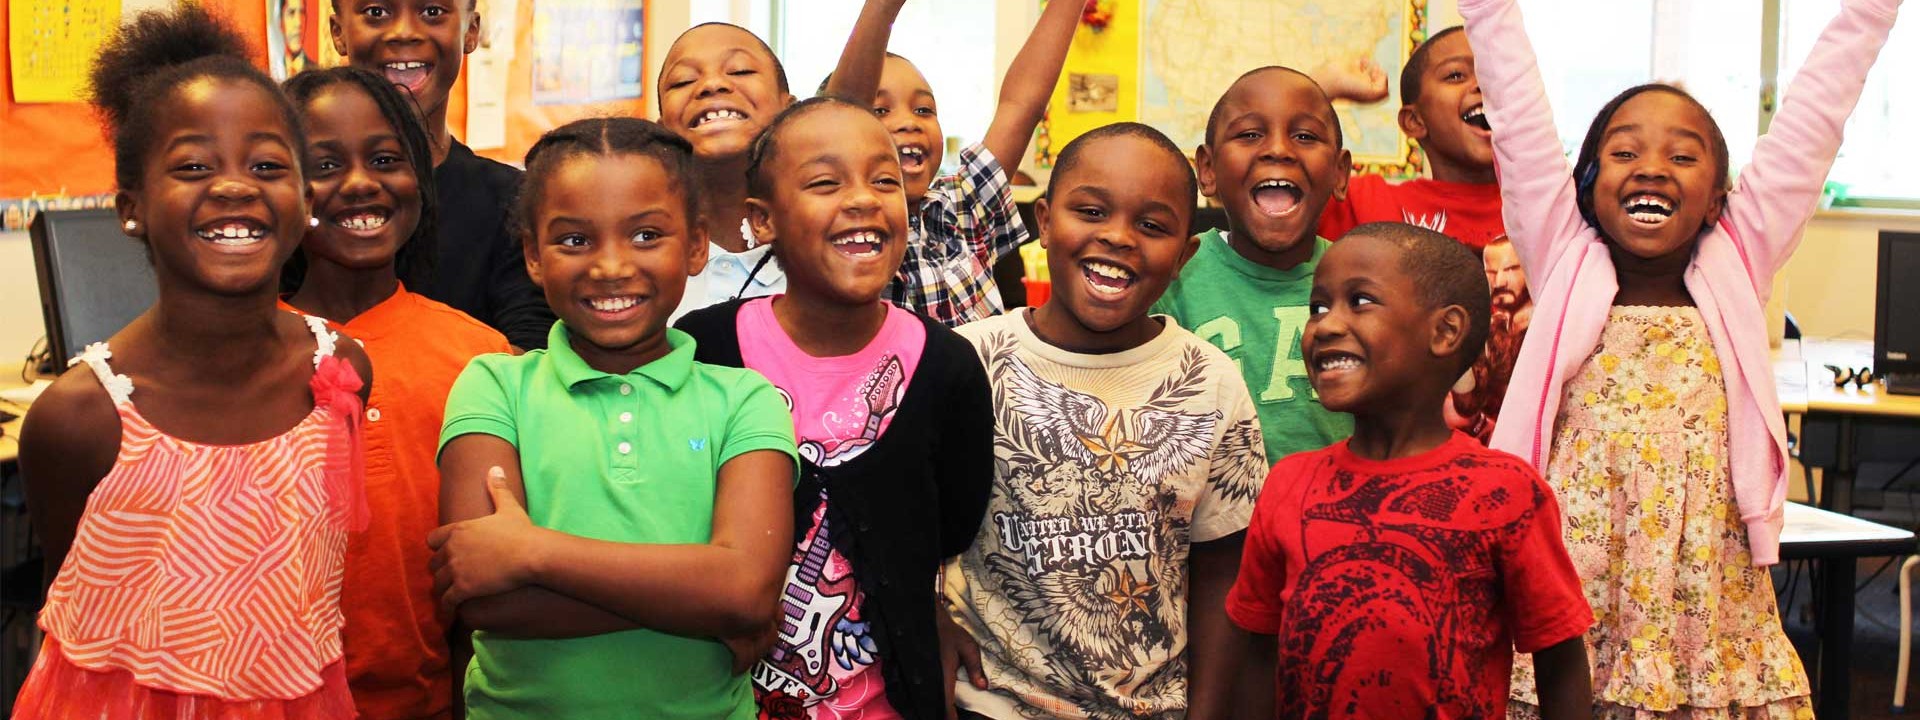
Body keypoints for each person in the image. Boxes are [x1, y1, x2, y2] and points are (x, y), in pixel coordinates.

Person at [1459, 0, 1906, 715]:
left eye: (1683, 156)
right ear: (1584, 182)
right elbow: (1516, 109)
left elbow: (1813, 120)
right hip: (1576, 579)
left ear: (1717, 201)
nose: (1652, 168)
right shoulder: (1560, 255)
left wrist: (1870, 11)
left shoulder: (1741, 258)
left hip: (1706, 592)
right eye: (1625, 152)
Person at [14, 6, 373, 717]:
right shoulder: (80, 418)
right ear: (131, 208)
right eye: (193, 166)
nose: (235, 185)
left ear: (305, 203)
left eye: (267, 165)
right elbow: (65, 605)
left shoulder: (342, 372)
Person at [428, 117, 798, 719]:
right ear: (532, 254)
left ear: (697, 245)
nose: (610, 267)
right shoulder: (493, 386)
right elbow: (486, 601)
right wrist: (704, 603)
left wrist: (533, 554)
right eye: (574, 241)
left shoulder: (745, 400)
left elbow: (746, 590)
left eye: (647, 235)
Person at [675, 96, 995, 720]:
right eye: (826, 183)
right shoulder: (703, 348)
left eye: (885, 180)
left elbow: (950, 526)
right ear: (761, 221)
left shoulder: (947, 367)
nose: (863, 199)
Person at [941, 123, 1268, 720]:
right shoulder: (966, 361)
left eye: (1152, 225)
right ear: (1043, 221)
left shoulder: (1212, 381)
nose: (1118, 237)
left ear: (1184, 256)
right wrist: (930, 617)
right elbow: (907, 523)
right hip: (987, 705)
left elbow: (1224, 568)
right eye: (1091, 210)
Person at [1225, 222, 1593, 719]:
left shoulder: (1506, 492)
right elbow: (1256, 653)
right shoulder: (1289, 483)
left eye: (1360, 302)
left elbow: (1561, 662)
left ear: (1444, 331)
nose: (1326, 325)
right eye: (1318, 307)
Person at [281, 65, 511, 720]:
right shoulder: (246, 353)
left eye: (386, 159)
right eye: (324, 164)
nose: (360, 183)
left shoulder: (481, 359)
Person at [1311, 29, 1525, 443]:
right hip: (1407, 457)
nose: (1482, 83)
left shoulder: (1550, 210)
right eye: (1456, 75)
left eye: (1494, 73)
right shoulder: (1370, 201)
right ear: (1414, 121)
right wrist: (1325, 85)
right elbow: (1287, 168)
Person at [822, 0, 1080, 326]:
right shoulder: (844, 224)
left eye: (923, 110)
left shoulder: (962, 207)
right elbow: (841, 120)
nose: (909, 123)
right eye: (880, 110)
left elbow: (1021, 105)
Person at [1151, 66, 1354, 465]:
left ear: (1339, 172)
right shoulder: (1175, 276)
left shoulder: (1362, 278)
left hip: (1335, 521)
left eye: (1305, 136)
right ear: (1207, 170)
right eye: (1249, 134)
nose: (1278, 149)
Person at [331, 0, 555, 349]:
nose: (404, 32)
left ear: (470, 31)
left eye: (432, 12)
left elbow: (529, 358)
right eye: (376, 12)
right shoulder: (300, 191)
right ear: (338, 32)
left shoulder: (513, 200)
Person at [656, 7, 890, 322]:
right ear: (661, 129)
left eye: (740, 71)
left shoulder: (818, 240)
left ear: (788, 109)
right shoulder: (651, 250)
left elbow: (841, 118)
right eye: (683, 81)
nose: (712, 85)